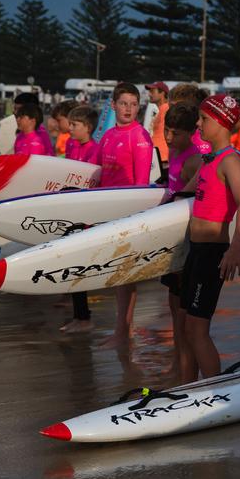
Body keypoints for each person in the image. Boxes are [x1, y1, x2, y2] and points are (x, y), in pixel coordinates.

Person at [181, 93, 240, 381]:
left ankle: (215, 391)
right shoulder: (209, 159)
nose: (198, 124)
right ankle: (185, 390)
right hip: (195, 250)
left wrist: (235, 248)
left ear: (222, 123)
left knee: (197, 329)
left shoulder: (230, 161)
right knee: (187, 327)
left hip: (212, 253)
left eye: (204, 119)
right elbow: (183, 194)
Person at [98, 83, 157, 348]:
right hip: (108, 213)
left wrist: (135, 221)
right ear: (113, 105)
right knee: (118, 276)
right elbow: (98, 175)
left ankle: (123, 333)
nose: (129, 109)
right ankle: (121, 330)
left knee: (125, 275)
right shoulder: (108, 135)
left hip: (127, 216)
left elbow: (141, 186)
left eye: (134, 104)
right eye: (123, 103)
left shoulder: (139, 136)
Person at [156, 102, 204, 382]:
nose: (169, 138)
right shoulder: (174, 152)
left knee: (185, 315)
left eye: (176, 133)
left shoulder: (195, 161)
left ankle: (189, 372)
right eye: (167, 130)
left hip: (186, 244)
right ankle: (178, 363)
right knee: (173, 308)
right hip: (172, 242)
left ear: (190, 133)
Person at [61, 106, 101, 334]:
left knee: (78, 264)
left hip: (85, 214)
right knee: (70, 262)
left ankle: (84, 318)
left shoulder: (95, 150)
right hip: (70, 210)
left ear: (87, 127)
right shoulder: (71, 144)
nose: (70, 128)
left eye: (74, 125)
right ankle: (79, 316)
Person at [146, 81, 170, 163]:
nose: (149, 94)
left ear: (162, 93)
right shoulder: (162, 109)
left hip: (162, 156)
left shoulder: (166, 109)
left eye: (152, 91)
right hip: (158, 155)